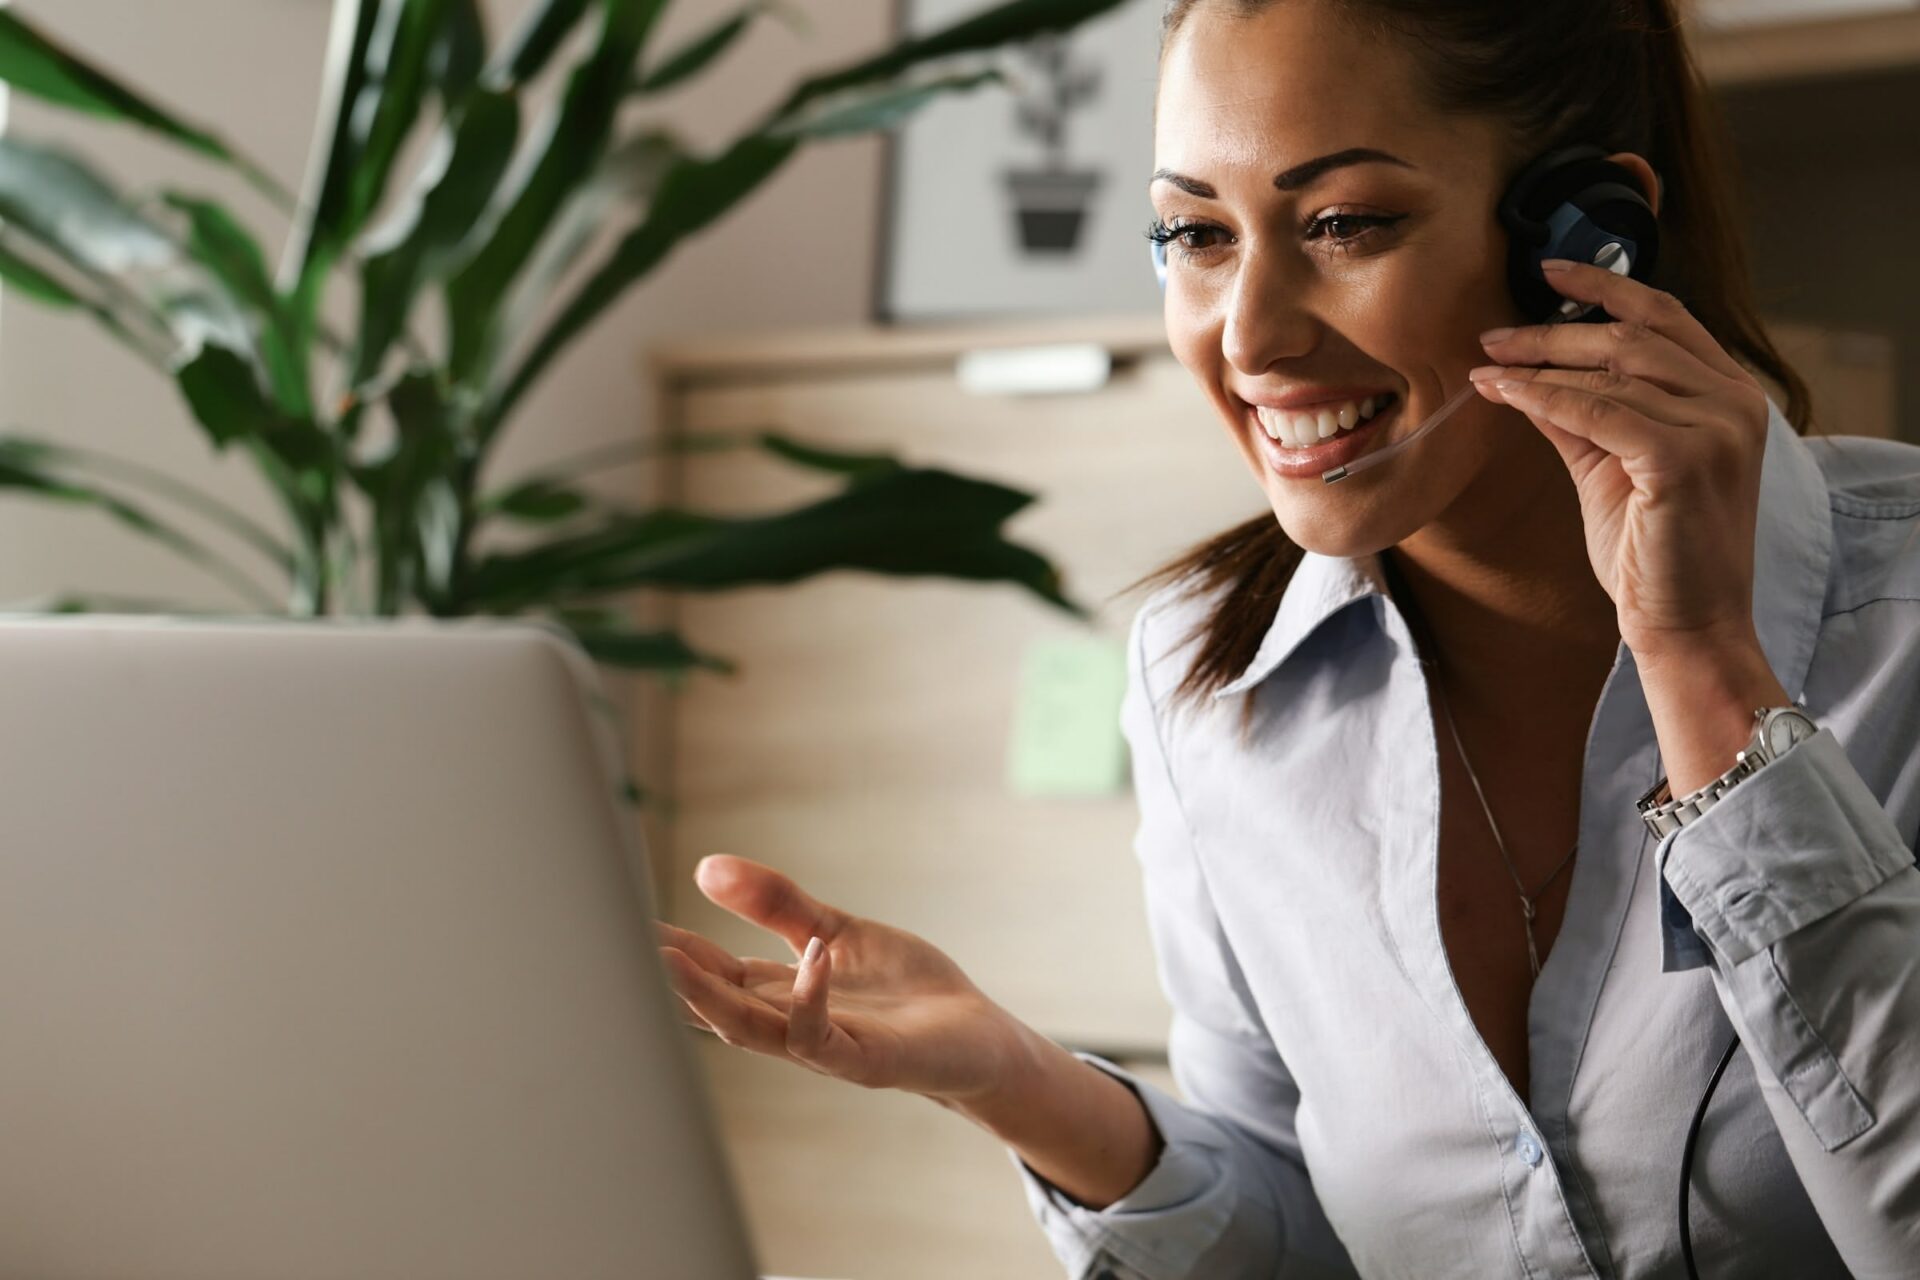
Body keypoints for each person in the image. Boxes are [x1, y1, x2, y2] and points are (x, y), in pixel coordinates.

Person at [656, 1, 1920, 1275]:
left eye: (1343, 224)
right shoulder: (1205, 678)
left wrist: (1703, 661)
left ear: (1587, 231)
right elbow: (1302, 1236)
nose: (1249, 334)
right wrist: (1020, 1082)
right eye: (1195, 233)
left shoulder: (1900, 623)